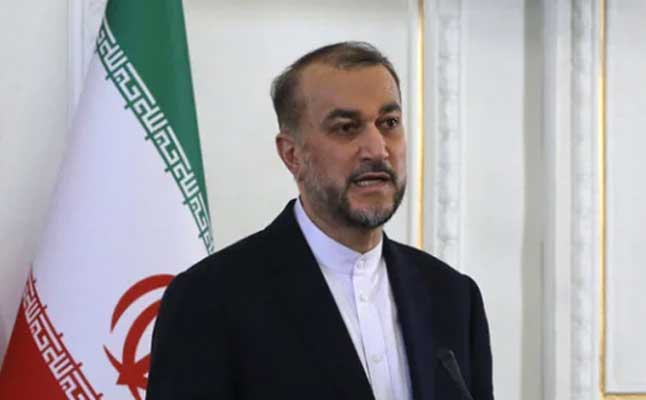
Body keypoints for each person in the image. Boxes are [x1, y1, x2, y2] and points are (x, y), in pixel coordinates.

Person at [146, 41, 494, 400]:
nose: (377, 149)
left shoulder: (453, 297)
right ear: (292, 155)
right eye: (346, 128)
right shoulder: (210, 299)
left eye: (389, 123)